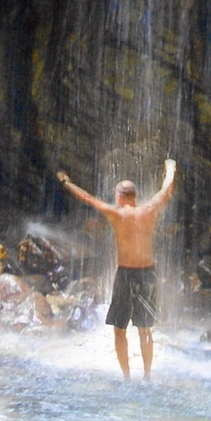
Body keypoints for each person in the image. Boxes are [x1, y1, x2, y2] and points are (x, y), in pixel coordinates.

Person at [57, 160, 177, 377]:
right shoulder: (149, 210)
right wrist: (171, 168)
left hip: (126, 274)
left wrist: (66, 182)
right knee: (145, 328)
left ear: (120, 197)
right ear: (135, 197)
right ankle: (147, 376)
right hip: (148, 274)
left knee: (119, 329)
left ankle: (127, 377)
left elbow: (87, 198)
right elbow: (165, 189)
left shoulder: (116, 214)